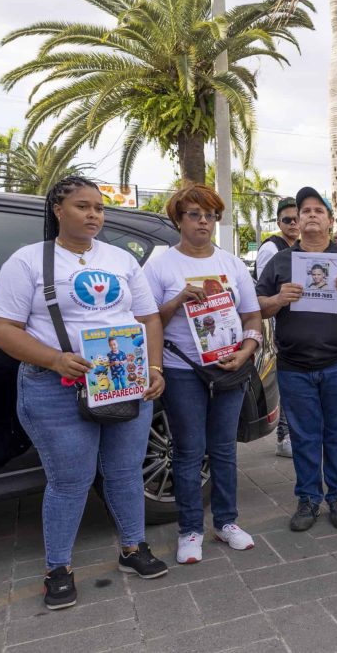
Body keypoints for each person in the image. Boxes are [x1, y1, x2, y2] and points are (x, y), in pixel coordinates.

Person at [0, 176, 168, 610]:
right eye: (83, 206)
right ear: (57, 210)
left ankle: (132, 549)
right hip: (56, 386)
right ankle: (59, 568)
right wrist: (53, 359)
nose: (93, 215)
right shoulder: (30, 261)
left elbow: (149, 319)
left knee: (125, 473)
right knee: (71, 481)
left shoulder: (121, 259)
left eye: (99, 208)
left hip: (122, 381)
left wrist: (154, 367)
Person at [144, 183, 264, 565]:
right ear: (178, 219)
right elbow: (146, 321)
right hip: (182, 370)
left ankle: (226, 522)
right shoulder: (161, 265)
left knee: (224, 448)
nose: (203, 222)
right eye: (194, 215)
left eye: (210, 215)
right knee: (188, 450)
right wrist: (177, 300)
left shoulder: (230, 264)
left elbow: (252, 315)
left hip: (229, 367)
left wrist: (247, 351)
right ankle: (190, 529)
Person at [257, 186, 337, 532]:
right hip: (295, 366)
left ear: (329, 221)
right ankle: (308, 498)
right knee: (304, 436)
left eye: (317, 210)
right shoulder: (282, 262)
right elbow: (257, 307)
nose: (310, 215)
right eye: (304, 211)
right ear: (296, 221)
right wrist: (280, 298)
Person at [256, 197, 301, 458]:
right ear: (278, 222)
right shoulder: (271, 249)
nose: (293, 223)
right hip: (276, 325)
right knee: (284, 382)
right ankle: (284, 437)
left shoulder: (302, 246)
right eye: (287, 219)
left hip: (296, 326)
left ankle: (291, 435)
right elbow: (266, 291)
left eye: (297, 218)